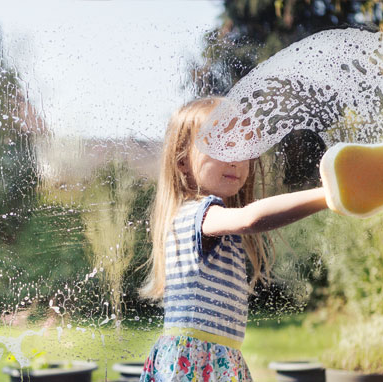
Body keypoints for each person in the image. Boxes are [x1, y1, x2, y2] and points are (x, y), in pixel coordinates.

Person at [139, 97, 332, 382]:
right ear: (182, 162)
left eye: (242, 146)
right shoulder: (196, 216)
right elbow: (251, 218)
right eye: (219, 145)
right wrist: (327, 195)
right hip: (194, 365)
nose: (235, 156)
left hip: (214, 359)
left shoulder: (209, 219)